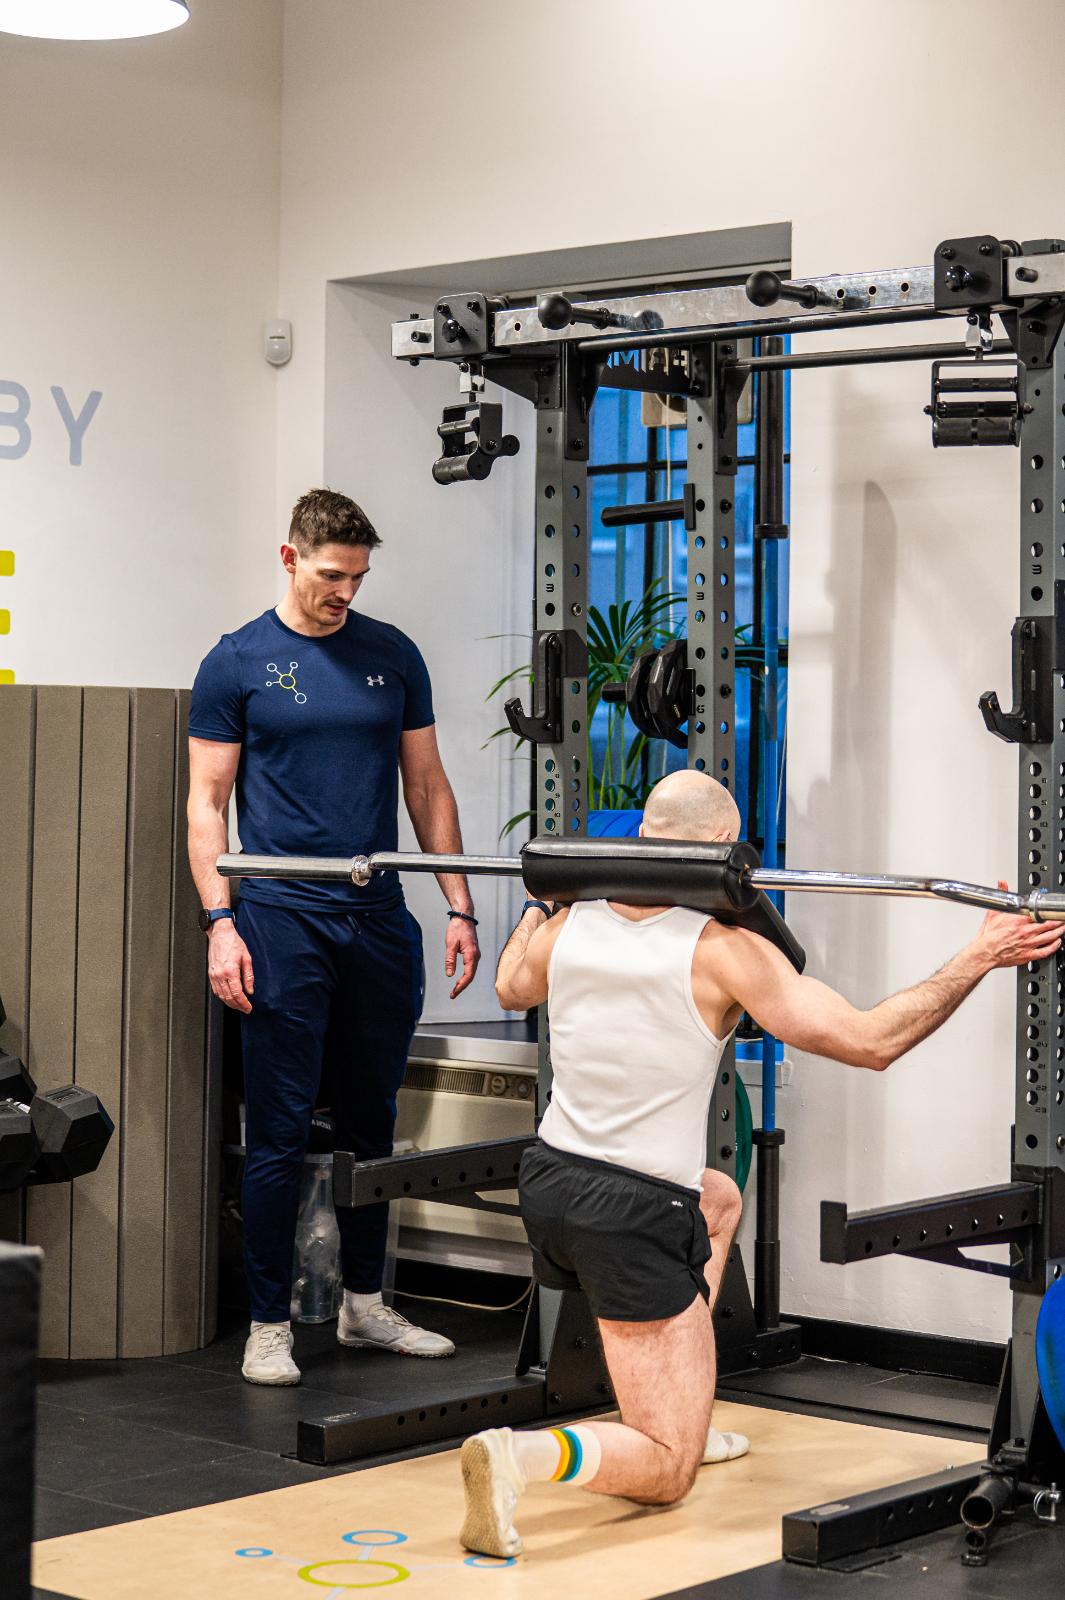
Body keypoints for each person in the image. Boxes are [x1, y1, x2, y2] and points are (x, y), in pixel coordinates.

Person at [459, 769, 1062, 1558]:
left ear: (643, 837)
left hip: (550, 1181)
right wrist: (978, 954)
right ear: (720, 850)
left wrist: (541, 905)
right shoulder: (724, 950)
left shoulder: (569, 921)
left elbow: (509, 987)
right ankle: (526, 1456)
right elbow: (870, 1040)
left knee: (716, 1199)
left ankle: (686, 1410)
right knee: (667, 1468)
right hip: (629, 1215)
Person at [187, 488, 480, 1385]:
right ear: (288, 558)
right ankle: (268, 1324)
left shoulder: (391, 655)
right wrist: (219, 922)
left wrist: (460, 904)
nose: (342, 592)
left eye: (355, 577)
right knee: (277, 1128)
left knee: (372, 1123)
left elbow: (427, 788)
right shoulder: (235, 662)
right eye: (328, 575)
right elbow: (206, 804)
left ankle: (363, 1307)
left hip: (375, 914)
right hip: (278, 912)